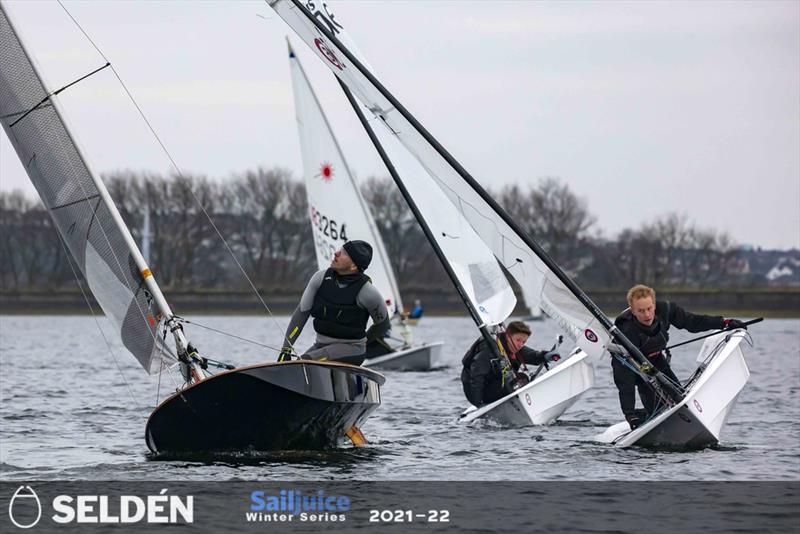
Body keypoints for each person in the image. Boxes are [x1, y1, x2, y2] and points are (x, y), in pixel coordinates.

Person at [612, 284, 747, 429]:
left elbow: (693, 322)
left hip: (657, 360)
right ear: (632, 311)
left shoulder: (666, 310)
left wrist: (724, 323)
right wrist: (630, 415)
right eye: (641, 311)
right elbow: (624, 381)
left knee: (678, 397)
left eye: (649, 309)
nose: (647, 315)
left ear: (654, 304)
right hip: (636, 368)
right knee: (656, 410)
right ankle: (640, 416)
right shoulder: (625, 331)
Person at [278, 240, 391, 366]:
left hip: (352, 350)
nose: (336, 253)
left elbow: (383, 325)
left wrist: (365, 341)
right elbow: (301, 314)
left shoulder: (368, 292)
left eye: (344, 253)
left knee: (304, 362)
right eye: (340, 250)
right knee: (295, 364)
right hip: (320, 346)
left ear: (353, 266)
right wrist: (286, 348)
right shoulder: (319, 278)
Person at [460, 321, 560, 407]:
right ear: (508, 336)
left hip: (496, 384)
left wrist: (546, 356)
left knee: (522, 379)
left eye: (523, 342)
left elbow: (532, 355)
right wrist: (479, 404)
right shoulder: (489, 348)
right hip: (477, 390)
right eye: (518, 340)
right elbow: (477, 376)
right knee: (519, 380)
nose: (520, 345)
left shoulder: (513, 346)